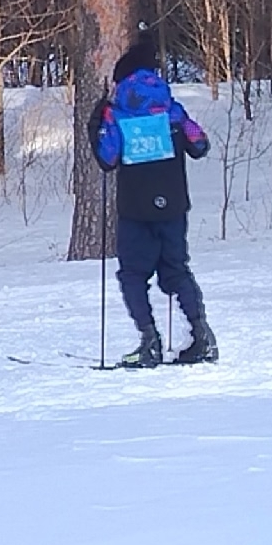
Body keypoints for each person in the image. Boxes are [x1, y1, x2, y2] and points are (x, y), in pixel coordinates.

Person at [90, 29, 217, 368]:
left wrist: (97, 121)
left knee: (133, 274)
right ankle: (201, 334)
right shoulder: (171, 109)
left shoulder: (116, 112)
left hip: (136, 208)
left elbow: (107, 157)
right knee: (176, 271)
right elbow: (200, 145)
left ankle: (149, 341)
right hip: (174, 204)